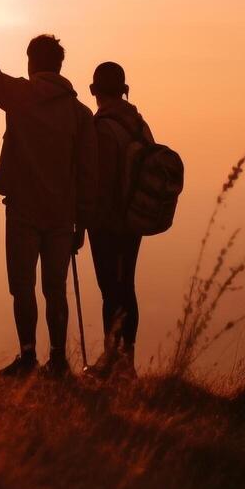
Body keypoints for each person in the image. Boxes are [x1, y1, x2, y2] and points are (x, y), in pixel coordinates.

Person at [0, 0, 97, 378]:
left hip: (22, 211)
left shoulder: (19, 96)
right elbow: (87, 174)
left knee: (22, 288)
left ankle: (27, 355)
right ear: (59, 65)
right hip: (61, 217)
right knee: (56, 290)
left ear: (32, 64)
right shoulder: (79, 113)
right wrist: (81, 223)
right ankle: (57, 358)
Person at [84, 61, 154, 378]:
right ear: (124, 90)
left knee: (110, 289)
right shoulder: (140, 125)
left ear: (93, 91)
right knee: (127, 285)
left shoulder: (101, 128)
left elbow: (97, 181)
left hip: (107, 221)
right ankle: (127, 359)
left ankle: (111, 360)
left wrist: (83, 222)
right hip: (134, 219)